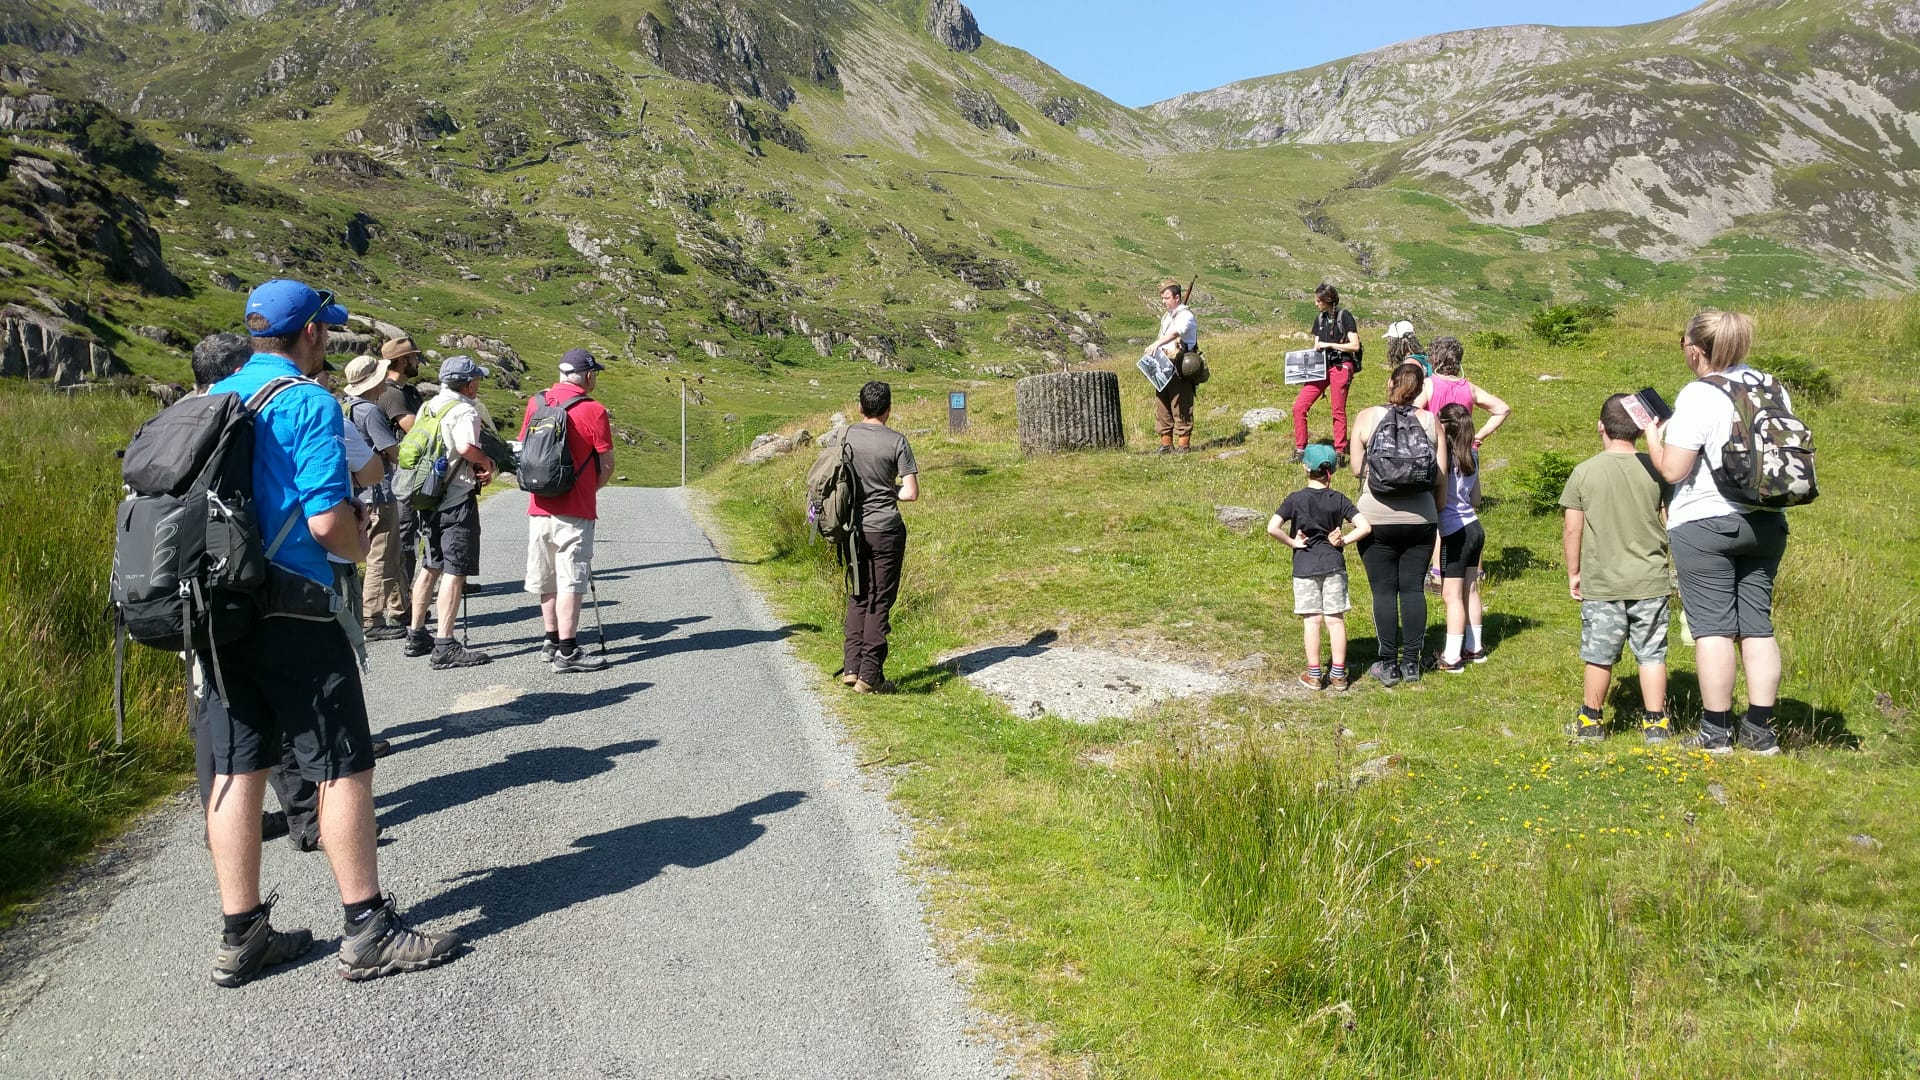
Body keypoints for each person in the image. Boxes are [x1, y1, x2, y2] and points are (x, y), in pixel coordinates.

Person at [204, 279, 459, 986]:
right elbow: (327, 525)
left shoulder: (211, 398)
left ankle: (241, 934)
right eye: (326, 329)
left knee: (235, 769)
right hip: (294, 607)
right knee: (344, 765)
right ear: (312, 334)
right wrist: (352, 548)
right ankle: (367, 928)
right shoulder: (308, 403)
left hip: (216, 614)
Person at [187, 332, 317, 852]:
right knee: (281, 708)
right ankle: (308, 819)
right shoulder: (245, 412)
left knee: (214, 708)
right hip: (250, 580)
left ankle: (217, 822)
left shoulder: (180, 418)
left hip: (189, 587)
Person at [1646, 311, 1787, 755]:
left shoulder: (1700, 393)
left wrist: (1654, 437)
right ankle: (1760, 730)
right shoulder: (1771, 386)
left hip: (1705, 521)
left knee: (1714, 629)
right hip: (1766, 519)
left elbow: (1673, 468)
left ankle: (1716, 731)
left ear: (1694, 348)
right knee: (1757, 627)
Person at [1560, 395, 1674, 742]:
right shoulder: (1657, 468)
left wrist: (1574, 573)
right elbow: (1670, 520)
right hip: (1650, 578)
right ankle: (1656, 723)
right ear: (1641, 430)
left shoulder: (1584, 471)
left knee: (1599, 653)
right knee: (1652, 653)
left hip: (1603, 580)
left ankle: (1591, 721)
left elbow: (1572, 529)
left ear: (1601, 427)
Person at [1349, 363, 1447, 687]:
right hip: (1421, 519)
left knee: (1384, 590)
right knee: (1412, 589)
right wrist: (1436, 511)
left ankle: (1387, 664)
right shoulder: (1432, 422)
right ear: (1420, 389)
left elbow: (1354, 469)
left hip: (1376, 519)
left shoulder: (1366, 417)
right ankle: (1412, 664)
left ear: (1390, 383)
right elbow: (1441, 476)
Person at [519, 348, 615, 673]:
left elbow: (524, 449)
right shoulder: (594, 410)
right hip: (575, 508)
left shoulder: (538, 403)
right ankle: (568, 651)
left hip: (538, 506)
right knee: (571, 577)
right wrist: (588, 488)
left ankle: (550, 639)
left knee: (546, 576)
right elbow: (607, 464)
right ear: (588, 376)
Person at [404, 355, 495, 668]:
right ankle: (445, 644)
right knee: (455, 571)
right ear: (469, 384)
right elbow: (467, 447)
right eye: (477, 380)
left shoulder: (429, 406)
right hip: (455, 498)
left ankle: (416, 634)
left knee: (430, 564)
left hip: (428, 496)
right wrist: (488, 463)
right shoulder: (464, 410)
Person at [1269, 444, 1371, 692]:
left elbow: (1272, 527)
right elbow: (1365, 526)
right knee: (1335, 620)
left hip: (1305, 566)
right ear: (1333, 470)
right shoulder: (1339, 499)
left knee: (1312, 621)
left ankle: (1314, 675)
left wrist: (1293, 542)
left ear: (1306, 467)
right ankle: (1338, 675)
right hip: (1333, 564)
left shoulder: (1295, 499)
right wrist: (1343, 540)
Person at [1414, 336, 1511, 595]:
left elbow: (1413, 412)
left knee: (1439, 512)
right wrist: (1479, 437)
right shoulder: (1470, 388)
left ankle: (1436, 574)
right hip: (1467, 452)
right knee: (1466, 509)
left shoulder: (1429, 385)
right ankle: (1476, 572)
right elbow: (1502, 408)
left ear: (1434, 358)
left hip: (1440, 452)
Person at [840, 381, 919, 693]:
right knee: (879, 600)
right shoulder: (897, 441)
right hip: (885, 529)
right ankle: (870, 677)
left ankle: (851, 666)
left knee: (858, 595)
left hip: (852, 529)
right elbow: (910, 493)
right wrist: (889, 490)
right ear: (888, 409)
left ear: (860, 407)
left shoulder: (846, 435)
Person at [342, 355, 406, 640]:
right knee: (381, 554)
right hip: (378, 492)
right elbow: (392, 450)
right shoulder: (370, 411)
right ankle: (372, 617)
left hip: (357, 492)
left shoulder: (345, 407)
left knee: (384, 551)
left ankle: (398, 606)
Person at [367, 337, 426, 604]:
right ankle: (402, 599)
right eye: (414, 358)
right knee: (403, 538)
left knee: (409, 535)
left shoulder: (408, 392)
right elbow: (417, 431)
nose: (417, 363)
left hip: (407, 476)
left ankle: (407, 595)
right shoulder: (392, 395)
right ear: (403, 361)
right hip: (399, 476)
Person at [1430, 404, 1485, 673]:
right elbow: (1476, 499)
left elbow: (1439, 499)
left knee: (1451, 595)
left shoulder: (1444, 458)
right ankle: (1475, 647)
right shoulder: (1472, 455)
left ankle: (1452, 656)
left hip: (1454, 532)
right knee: (1470, 590)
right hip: (1475, 528)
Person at [1291, 283, 1362, 464]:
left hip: (1341, 365)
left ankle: (1339, 452)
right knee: (1299, 407)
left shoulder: (1344, 317)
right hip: (1321, 367)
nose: (1316, 304)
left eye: (1318, 301)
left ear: (1328, 301)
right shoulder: (1320, 319)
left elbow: (1355, 345)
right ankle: (1300, 449)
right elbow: (1317, 345)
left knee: (1337, 410)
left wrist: (1330, 345)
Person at [1143, 279, 1200, 453]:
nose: (1164, 301)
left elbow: (1177, 332)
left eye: (1167, 297)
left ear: (1177, 297)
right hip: (1163, 364)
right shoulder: (1167, 317)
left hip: (1179, 365)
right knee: (1163, 405)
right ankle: (1166, 444)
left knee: (1181, 405)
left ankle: (1183, 445)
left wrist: (1156, 343)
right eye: (1162, 298)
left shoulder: (1186, 315)